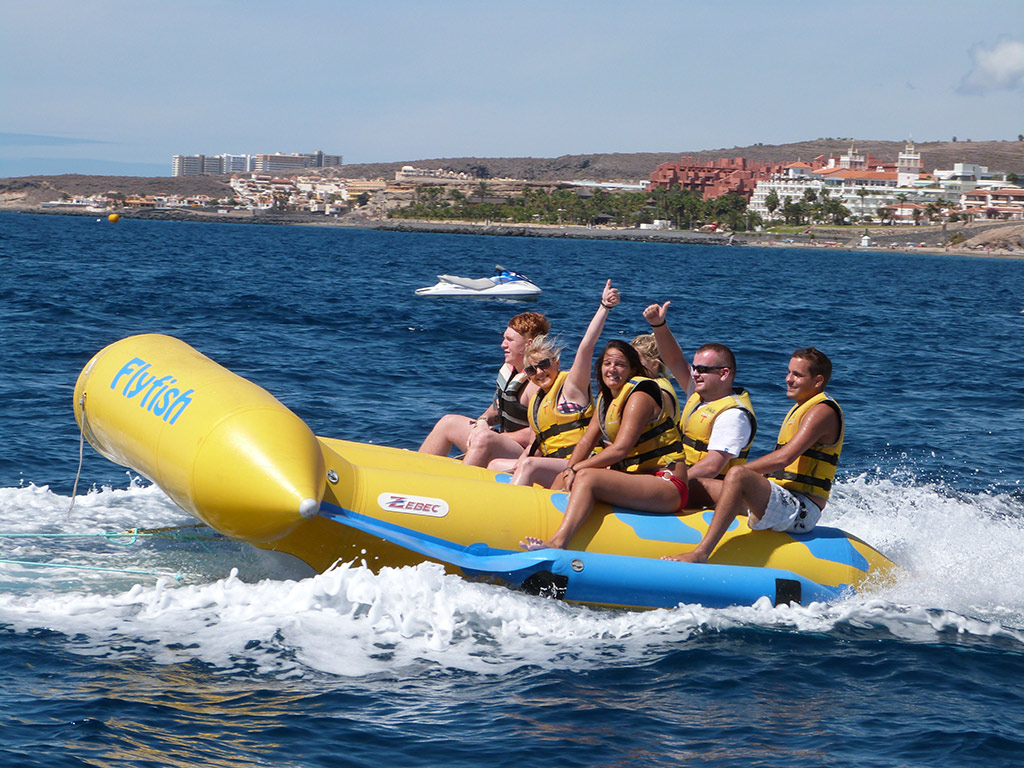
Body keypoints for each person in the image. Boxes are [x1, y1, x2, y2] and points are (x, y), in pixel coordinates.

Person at [664, 348, 843, 564]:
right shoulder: (802, 408)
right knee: (696, 485)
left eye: (797, 375)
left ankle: (701, 553)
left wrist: (738, 475)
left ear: (818, 381)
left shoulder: (822, 411)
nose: (788, 379)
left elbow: (784, 458)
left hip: (801, 509)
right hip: (782, 498)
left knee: (738, 476)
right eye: (789, 372)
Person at [520, 341, 687, 551]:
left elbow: (620, 450)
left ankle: (558, 543)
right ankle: (538, 528)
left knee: (587, 476)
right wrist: (568, 470)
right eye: (607, 363)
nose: (612, 369)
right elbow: (586, 441)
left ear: (632, 369)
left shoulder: (640, 397)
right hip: (639, 478)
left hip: (667, 483)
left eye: (620, 364)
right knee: (564, 475)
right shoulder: (607, 399)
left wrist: (577, 468)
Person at [489, 281, 619, 487]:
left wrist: (604, 307)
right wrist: (517, 464)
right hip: (555, 464)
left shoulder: (571, 387)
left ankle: (514, 502)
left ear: (556, 362)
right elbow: (535, 446)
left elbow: (587, 345)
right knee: (495, 464)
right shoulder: (538, 402)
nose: (539, 372)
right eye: (532, 370)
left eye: (544, 365)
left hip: (583, 465)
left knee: (529, 465)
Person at [642, 301, 756, 506]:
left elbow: (712, 466)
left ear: (724, 373)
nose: (695, 374)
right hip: (679, 476)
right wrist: (658, 325)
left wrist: (670, 481)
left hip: (703, 491)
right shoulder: (697, 393)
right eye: (694, 368)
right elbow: (675, 359)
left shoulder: (733, 415)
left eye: (702, 369)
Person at [419, 311, 550, 466]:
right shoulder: (512, 370)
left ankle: (462, 478)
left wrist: (495, 436)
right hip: (500, 440)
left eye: (509, 340)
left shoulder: (537, 382)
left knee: (484, 438)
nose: (503, 344)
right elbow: (499, 407)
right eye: (504, 338)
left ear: (529, 344)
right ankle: (418, 469)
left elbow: (538, 433)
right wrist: (482, 422)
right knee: (448, 423)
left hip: (524, 452)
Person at [630, 333, 680, 423]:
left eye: (637, 361)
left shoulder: (659, 392)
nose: (632, 366)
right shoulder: (656, 384)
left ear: (654, 364)